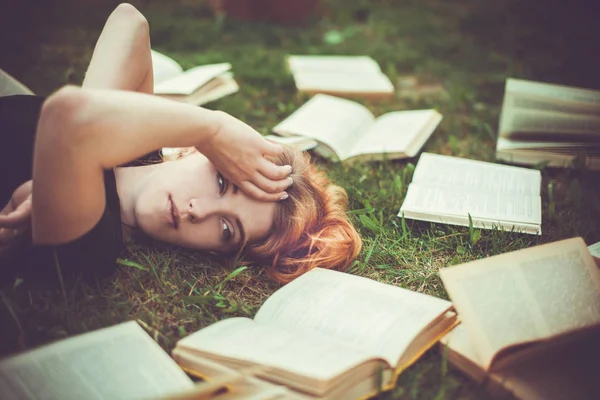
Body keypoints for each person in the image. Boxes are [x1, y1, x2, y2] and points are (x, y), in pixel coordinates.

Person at [0, 3, 361, 285]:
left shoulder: (95, 242)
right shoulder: (132, 144)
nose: (197, 212)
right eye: (223, 182)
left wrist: (210, 129)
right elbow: (130, 22)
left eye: (225, 230)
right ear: (196, 153)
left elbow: (69, 115)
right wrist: (206, 131)